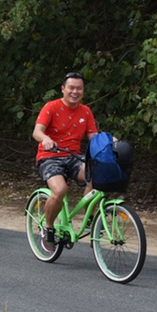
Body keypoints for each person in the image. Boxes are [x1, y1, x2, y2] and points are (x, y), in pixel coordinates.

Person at [31, 71, 99, 246]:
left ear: (83, 91)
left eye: (79, 88)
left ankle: (90, 220)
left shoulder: (86, 111)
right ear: (63, 89)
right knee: (60, 190)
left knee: (99, 175)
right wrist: (45, 139)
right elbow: (37, 131)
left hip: (74, 157)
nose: (75, 92)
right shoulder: (51, 107)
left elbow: (94, 137)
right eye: (71, 88)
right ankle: (48, 226)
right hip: (50, 157)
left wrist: (109, 142)